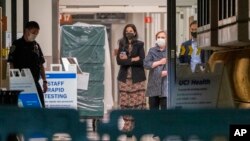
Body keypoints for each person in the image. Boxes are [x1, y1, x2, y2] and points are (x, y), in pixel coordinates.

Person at [8, 21, 47, 108]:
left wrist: (44, 81)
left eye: (36, 33)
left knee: (41, 106)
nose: (35, 35)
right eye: (33, 32)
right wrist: (14, 80)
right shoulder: (16, 44)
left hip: (34, 82)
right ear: (26, 31)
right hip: (20, 83)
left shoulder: (36, 46)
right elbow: (11, 63)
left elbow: (41, 64)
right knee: (19, 107)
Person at [116, 24, 146, 131]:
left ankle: (134, 125)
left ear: (135, 32)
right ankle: (127, 124)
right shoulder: (121, 44)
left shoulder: (139, 44)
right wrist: (133, 59)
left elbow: (142, 61)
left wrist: (127, 60)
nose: (129, 32)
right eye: (127, 31)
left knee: (136, 102)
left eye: (131, 31)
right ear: (125, 33)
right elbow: (119, 61)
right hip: (124, 78)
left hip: (137, 78)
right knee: (124, 103)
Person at [144, 30, 168, 110]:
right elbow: (146, 64)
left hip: (165, 87)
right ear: (156, 39)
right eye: (159, 37)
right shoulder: (152, 51)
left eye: (163, 37)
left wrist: (168, 72)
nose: (160, 39)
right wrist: (160, 62)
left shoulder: (170, 51)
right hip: (153, 86)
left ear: (167, 39)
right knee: (153, 112)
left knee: (165, 112)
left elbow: (176, 66)